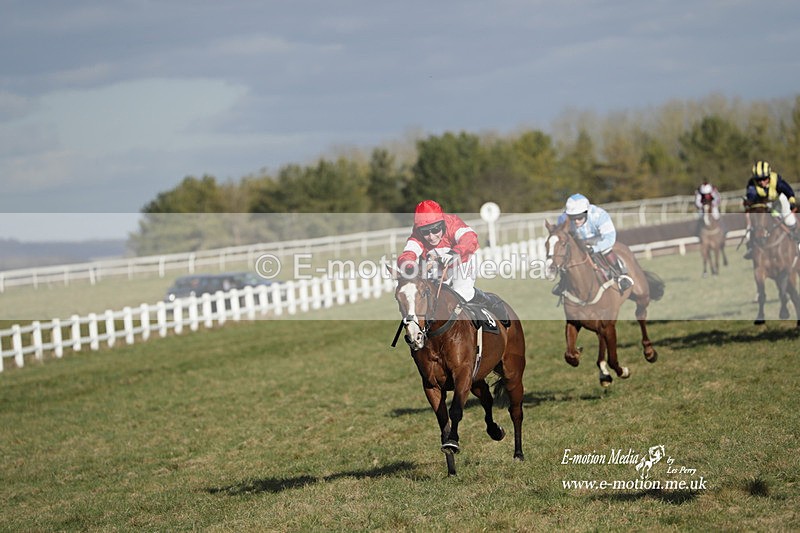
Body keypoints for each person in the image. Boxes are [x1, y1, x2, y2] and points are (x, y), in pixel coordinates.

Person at [397, 199, 504, 316]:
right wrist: (409, 266)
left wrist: (454, 253)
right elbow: (408, 254)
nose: (431, 237)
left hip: (462, 260)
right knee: (432, 296)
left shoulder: (453, 223)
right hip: (437, 264)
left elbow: (470, 239)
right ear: (419, 230)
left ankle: (490, 302)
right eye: (425, 232)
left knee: (462, 294)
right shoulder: (417, 235)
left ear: (442, 224)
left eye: (435, 230)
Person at [556, 193, 634, 291]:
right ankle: (563, 281)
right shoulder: (563, 219)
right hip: (577, 241)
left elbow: (610, 239)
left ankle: (621, 275)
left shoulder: (599, 215)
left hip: (598, 239)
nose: (576, 222)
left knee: (606, 249)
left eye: (579, 217)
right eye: (573, 218)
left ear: (586, 212)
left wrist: (594, 249)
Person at [743, 160, 799, 259]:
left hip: (779, 201)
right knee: (753, 225)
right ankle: (751, 247)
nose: (761, 182)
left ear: (769, 176)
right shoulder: (752, 185)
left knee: (789, 221)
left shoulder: (776, 180)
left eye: (764, 179)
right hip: (764, 205)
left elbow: (788, 191)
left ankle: (797, 242)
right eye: (758, 180)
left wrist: (792, 202)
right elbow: (751, 197)